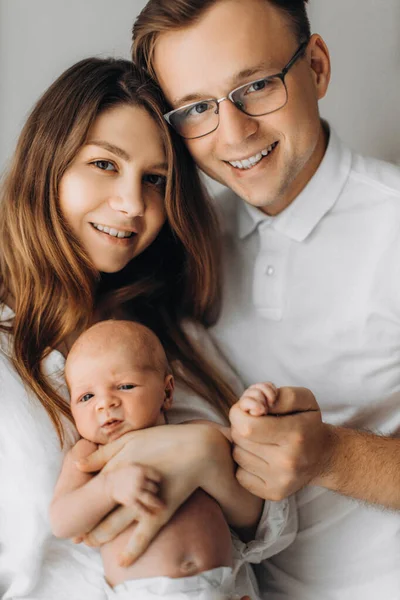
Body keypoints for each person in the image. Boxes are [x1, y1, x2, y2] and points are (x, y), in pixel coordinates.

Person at [0, 56, 303, 600]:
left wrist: (208, 454)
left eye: (155, 179)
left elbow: (267, 530)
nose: (133, 204)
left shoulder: (169, 336)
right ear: (48, 165)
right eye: (105, 164)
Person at [130, 0, 400, 598]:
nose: (234, 133)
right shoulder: (176, 243)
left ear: (319, 67)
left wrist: (330, 455)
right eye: (198, 108)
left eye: (254, 86)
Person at [51, 319, 281, 599]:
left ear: (168, 392)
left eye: (124, 386)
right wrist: (108, 488)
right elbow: (62, 520)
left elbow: (247, 457)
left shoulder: (194, 433)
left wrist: (252, 410)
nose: (104, 403)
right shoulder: (90, 456)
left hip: (226, 588)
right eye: (86, 396)